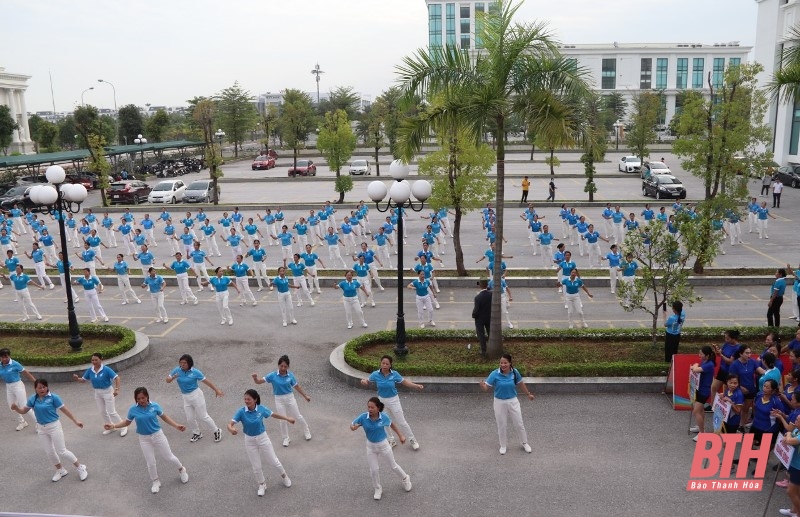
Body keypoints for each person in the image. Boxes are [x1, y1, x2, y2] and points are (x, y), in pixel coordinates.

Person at [105, 386, 188, 493]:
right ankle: (156, 481)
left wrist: (176, 426)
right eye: (138, 399)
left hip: (158, 435)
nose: (141, 401)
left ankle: (181, 469)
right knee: (150, 462)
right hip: (144, 439)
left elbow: (165, 417)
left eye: (143, 398)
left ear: (147, 396)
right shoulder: (133, 409)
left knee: (169, 457)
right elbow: (126, 423)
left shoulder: (155, 406)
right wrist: (114, 426)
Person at [11, 379, 88, 482]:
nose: (42, 389)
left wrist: (75, 420)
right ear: (36, 389)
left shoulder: (54, 398)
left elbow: (65, 410)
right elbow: (24, 411)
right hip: (41, 428)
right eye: (40, 387)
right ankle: (60, 470)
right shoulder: (33, 399)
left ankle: (80, 467)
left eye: (44, 387)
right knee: (49, 452)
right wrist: (16, 408)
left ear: (47, 387)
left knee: (62, 451)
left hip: (54, 426)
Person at [227, 389, 294, 497]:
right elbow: (230, 424)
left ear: (255, 399)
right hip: (249, 440)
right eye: (245, 399)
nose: (246, 401)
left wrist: (287, 418)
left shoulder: (261, 409)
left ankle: (285, 476)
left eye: (248, 399)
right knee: (256, 466)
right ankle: (262, 484)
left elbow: (274, 414)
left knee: (273, 461)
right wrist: (231, 429)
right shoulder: (241, 411)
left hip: (263, 438)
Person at [350, 397, 413, 501]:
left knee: (393, 466)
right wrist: (353, 427)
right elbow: (353, 425)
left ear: (378, 408)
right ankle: (377, 488)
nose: (370, 409)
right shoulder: (363, 417)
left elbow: (392, 425)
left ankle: (406, 478)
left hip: (383, 445)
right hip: (370, 446)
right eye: (368, 407)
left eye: (372, 407)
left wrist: (401, 435)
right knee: (374, 470)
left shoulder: (384, 417)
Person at [360, 355, 423, 450]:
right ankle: (391, 439)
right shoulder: (375, 374)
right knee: (385, 421)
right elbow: (367, 381)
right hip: (381, 401)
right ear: (380, 364)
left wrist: (416, 386)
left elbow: (405, 382)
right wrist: (363, 381)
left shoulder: (395, 374)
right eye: (383, 363)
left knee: (402, 422)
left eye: (387, 364)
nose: (384, 365)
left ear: (390, 365)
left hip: (394, 400)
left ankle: (412, 440)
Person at [252, 355, 312, 447]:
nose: (283, 368)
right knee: (282, 419)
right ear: (278, 365)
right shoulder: (272, 375)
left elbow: (297, 386)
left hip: (290, 398)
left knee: (297, 416)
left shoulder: (290, 376)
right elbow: (259, 381)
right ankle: (286, 438)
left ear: (288, 367)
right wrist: (255, 378)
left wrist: (305, 396)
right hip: (279, 399)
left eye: (285, 366)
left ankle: (306, 430)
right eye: (281, 366)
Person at [479, 353, 534, 455]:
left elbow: (521, 383)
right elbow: (486, 388)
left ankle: (525, 443)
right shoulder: (494, 374)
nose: (503, 365)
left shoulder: (515, 372)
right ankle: (503, 445)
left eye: (505, 363)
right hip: (499, 402)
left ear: (510, 363)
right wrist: (482, 386)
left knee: (519, 423)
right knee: (502, 425)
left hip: (513, 400)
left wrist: (528, 394)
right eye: (501, 363)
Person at [166, 354, 224, 444]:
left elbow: (206, 381)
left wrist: (216, 390)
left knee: (203, 416)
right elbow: (167, 380)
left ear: (189, 363)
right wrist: (173, 377)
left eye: (184, 363)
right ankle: (197, 433)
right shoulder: (177, 370)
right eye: (181, 363)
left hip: (196, 395)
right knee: (190, 418)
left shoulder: (195, 372)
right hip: (185, 397)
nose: (182, 365)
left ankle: (217, 430)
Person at [72, 353, 127, 436]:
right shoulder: (90, 370)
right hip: (97, 392)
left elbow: (117, 378)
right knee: (102, 411)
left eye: (96, 360)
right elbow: (83, 380)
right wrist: (77, 379)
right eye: (92, 360)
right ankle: (110, 427)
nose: (94, 362)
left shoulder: (106, 369)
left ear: (101, 359)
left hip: (108, 392)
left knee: (111, 412)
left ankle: (123, 426)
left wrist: (117, 390)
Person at [0, 347, 36, 431]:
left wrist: (35, 382)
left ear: (9, 356)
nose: (4, 359)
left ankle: (39, 423)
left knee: (24, 405)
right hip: (8, 386)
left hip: (18, 385)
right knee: (12, 406)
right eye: (2, 357)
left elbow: (25, 372)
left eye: (6, 357)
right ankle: (22, 422)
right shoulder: (0, 365)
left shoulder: (15, 364)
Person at [689, 346, 716, 441]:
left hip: (704, 391)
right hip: (699, 388)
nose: (699, 355)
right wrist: (695, 366)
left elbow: (695, 369)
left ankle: (702, 433)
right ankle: (700, 426)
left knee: (696, 411)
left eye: (701, 354)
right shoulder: (704, 362)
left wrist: (695, 365)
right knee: (700, 411)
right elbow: (696, 368)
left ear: (707, 355)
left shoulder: (709, 364)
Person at [472, 278, 492, 356]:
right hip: (489, 317)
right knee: (490, 332)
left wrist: (474, 315)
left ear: (480, 286)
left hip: (480, 319)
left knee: (481, 334)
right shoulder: (491, 294)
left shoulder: (478, 297)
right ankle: (491, 346)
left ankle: (483, 350)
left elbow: (476, 310)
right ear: (487, 285)